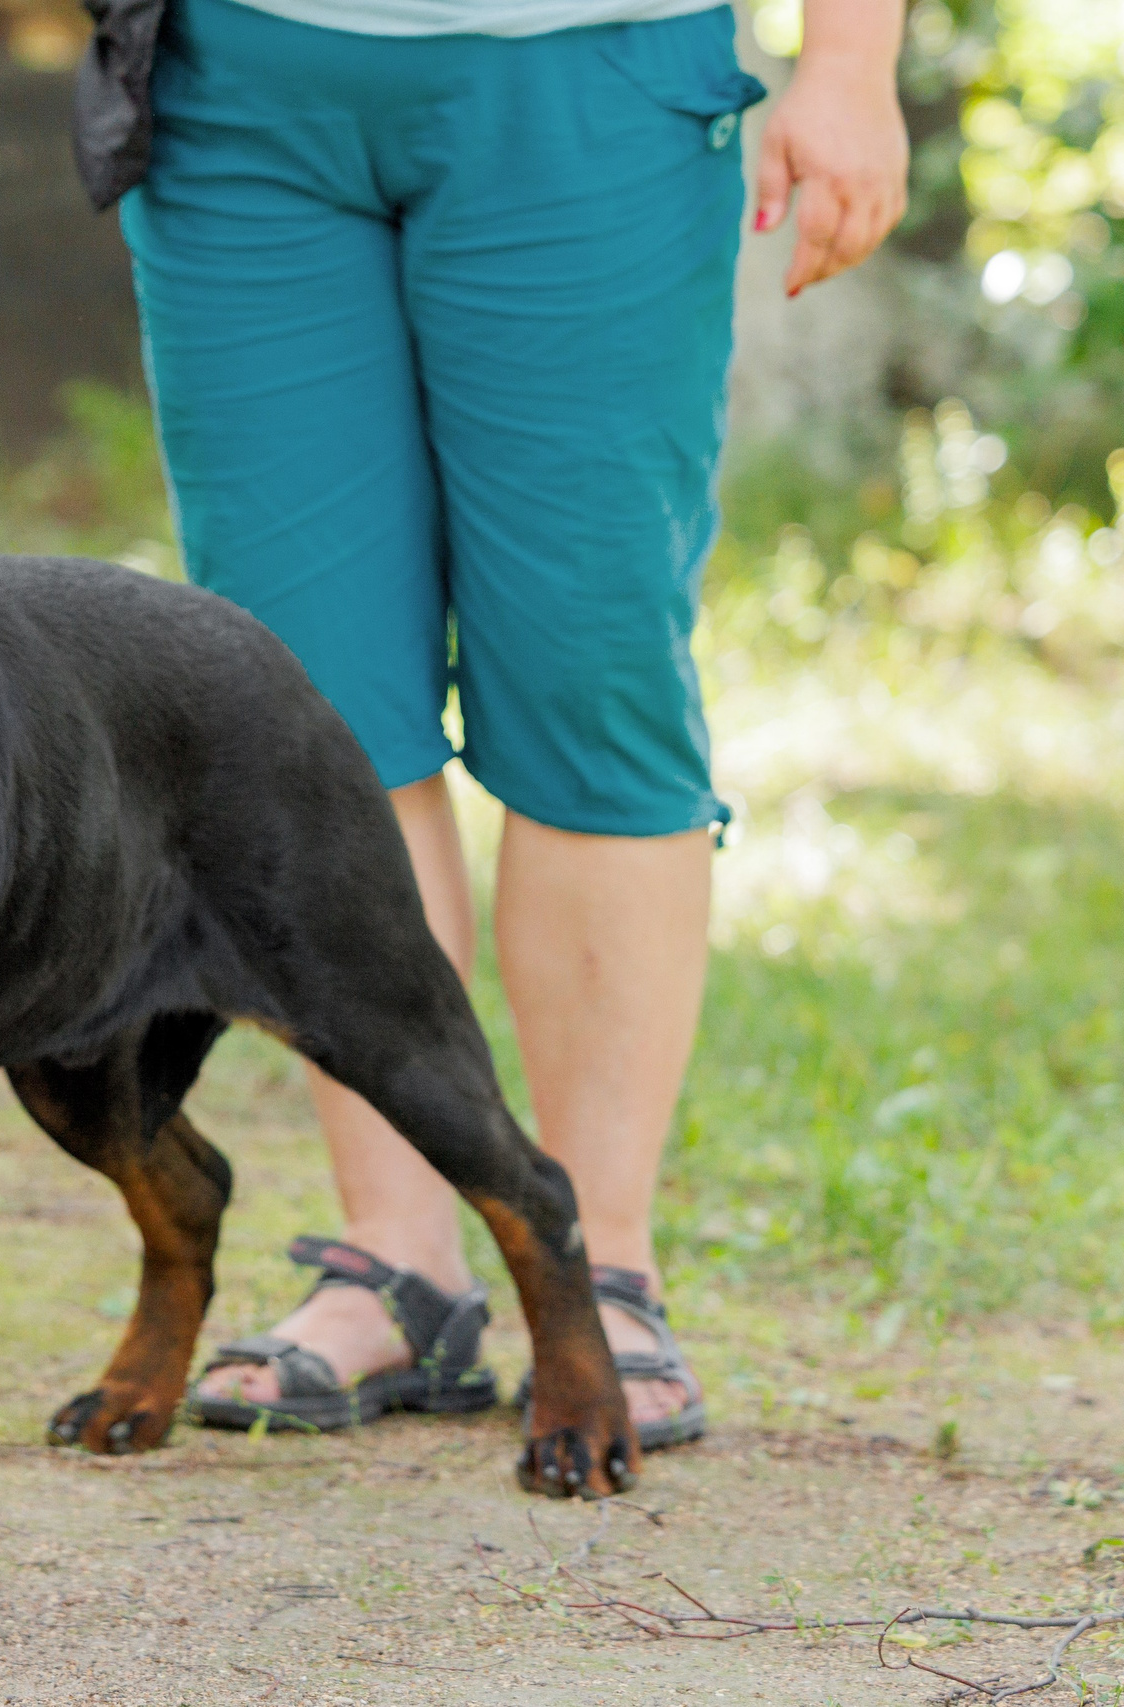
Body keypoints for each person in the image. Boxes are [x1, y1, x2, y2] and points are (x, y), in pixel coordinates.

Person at [71, 0, 907, 1446]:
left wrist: (849, 62)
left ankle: (607, 1270)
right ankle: (399, 1261)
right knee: (311, 712)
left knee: (590, 686)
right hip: (240, 84)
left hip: (587, 75)